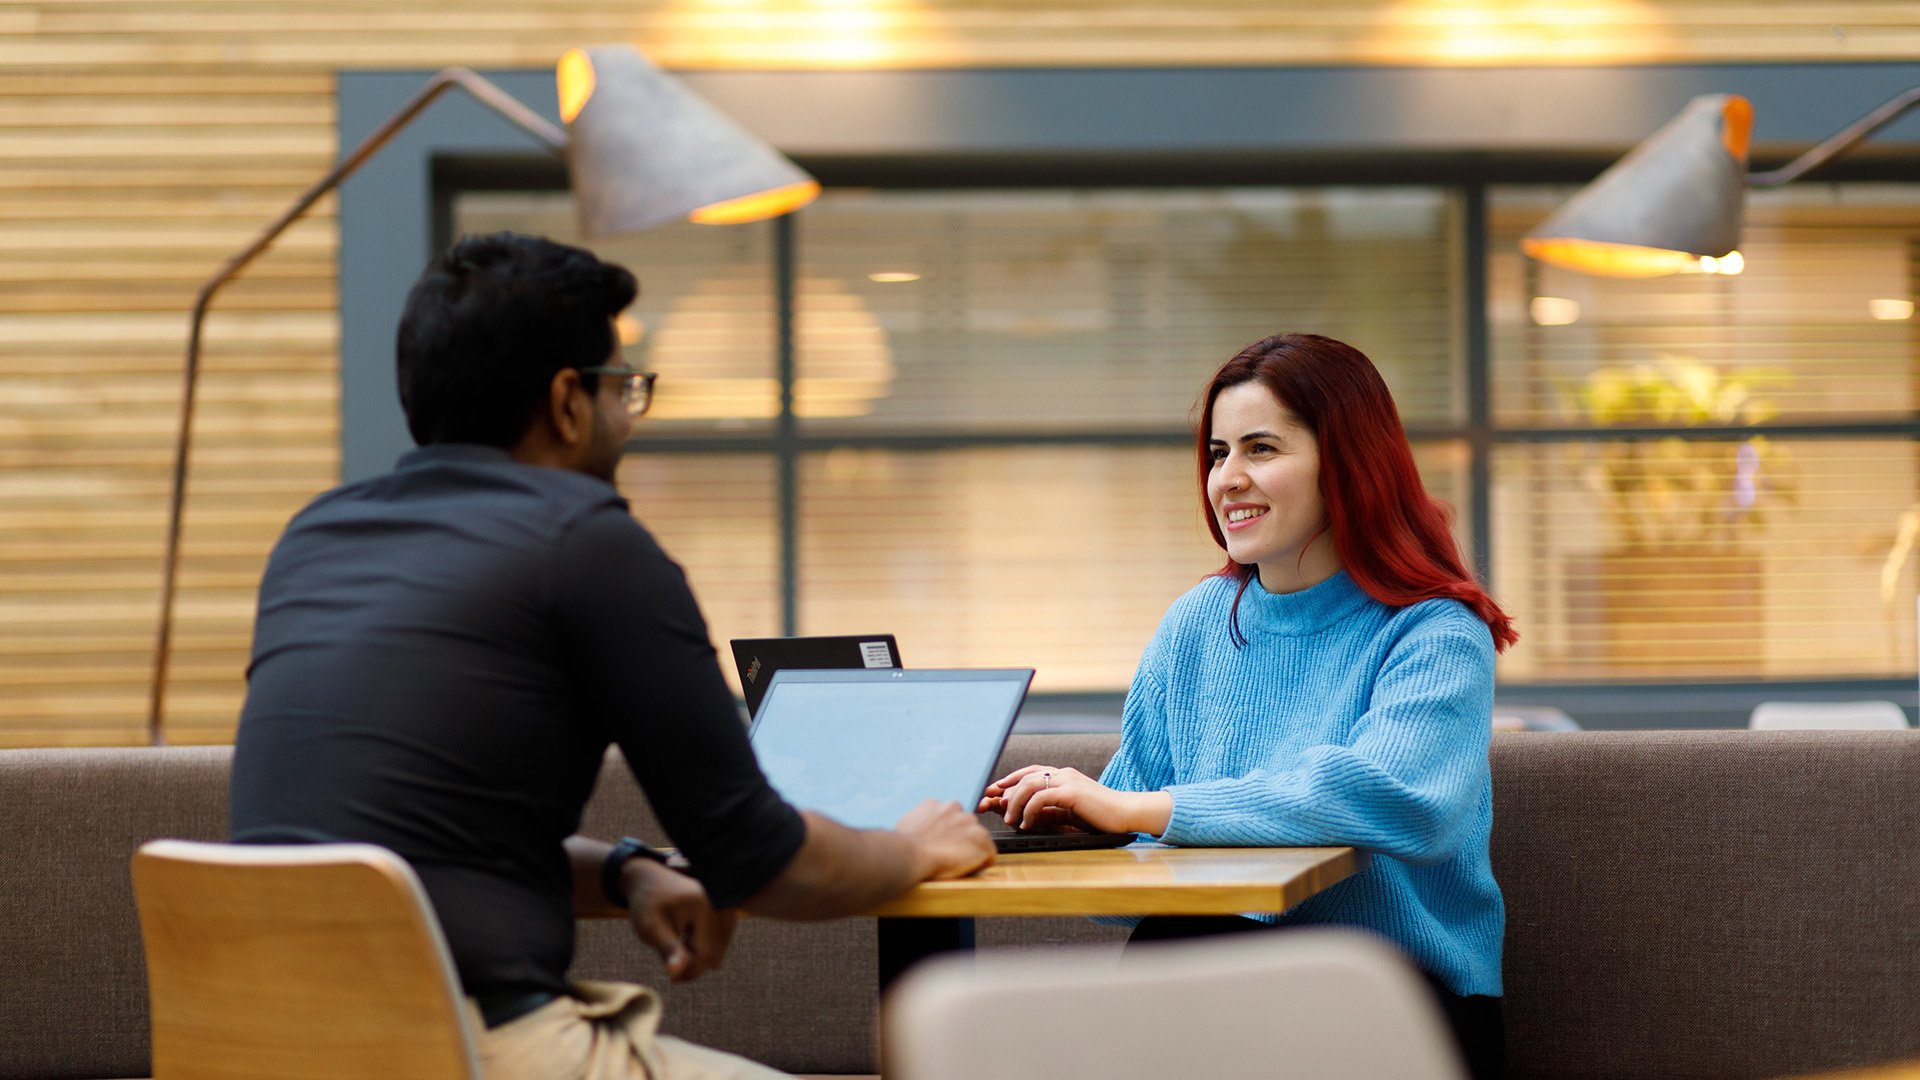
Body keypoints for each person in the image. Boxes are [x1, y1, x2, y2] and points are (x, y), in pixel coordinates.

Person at [229, 231, 994, 1080]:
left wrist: (628, 873)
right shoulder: (586, 543)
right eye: (624, 388)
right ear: (567, 401)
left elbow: (426, 846)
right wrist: (915, 849)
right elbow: (762, 862)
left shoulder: (314, 540)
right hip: (458, 1046)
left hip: (252, 1043)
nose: (627, 417)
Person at [981, 332, 1516, 1080]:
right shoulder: (1195, 625)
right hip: (1210, 980)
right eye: (1216, 453)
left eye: (1260, 449)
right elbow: (1127, 893)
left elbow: (1396, 800)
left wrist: (1142, 810)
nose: (1227, 478)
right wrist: (1087, 827)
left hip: (1395, 1003)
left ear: (1349, 462)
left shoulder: (1433, 629)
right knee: (1170, 952)